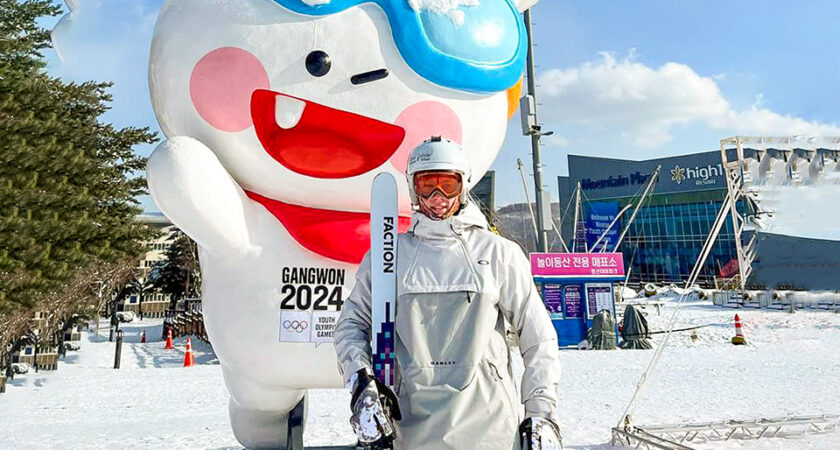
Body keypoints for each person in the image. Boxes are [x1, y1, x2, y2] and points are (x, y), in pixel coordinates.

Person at [334, 137, 562, 450]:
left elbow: (538, 337)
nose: (437, 197)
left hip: (490, 426)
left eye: (448, 185)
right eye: (427, 185)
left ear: (463, 186)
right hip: (410, 427)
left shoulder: (498, 253)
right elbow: (351, 326)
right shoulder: (388, 257)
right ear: (413, 188)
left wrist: (541, 412)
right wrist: (361, 382)